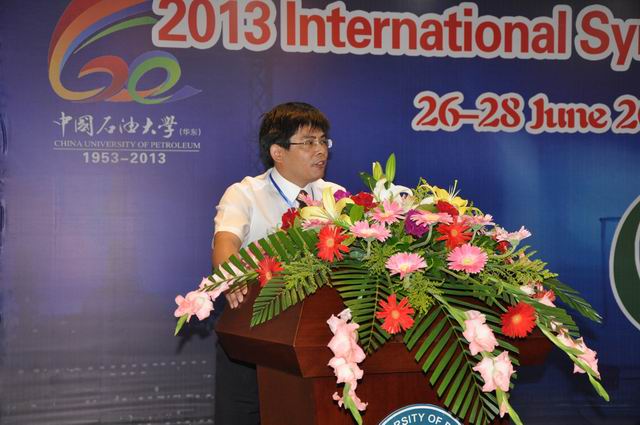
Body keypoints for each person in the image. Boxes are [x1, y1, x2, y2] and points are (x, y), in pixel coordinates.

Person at [212, 102, 344, 424]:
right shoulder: (245, 193)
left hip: (316, 340)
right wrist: (232, 277)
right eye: (309, 142)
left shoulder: (335, 196)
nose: (321, 150)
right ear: (277, 152)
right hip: (254, 333)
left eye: (323, 141)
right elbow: (226, 241)